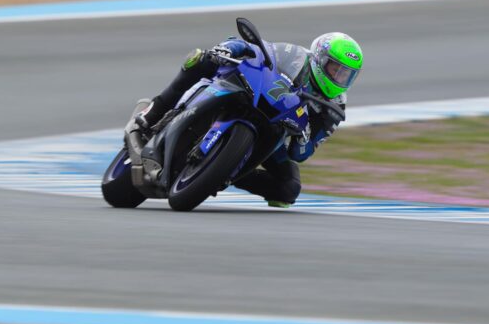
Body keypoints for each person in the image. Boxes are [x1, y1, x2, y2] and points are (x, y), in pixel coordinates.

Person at [135, 28, 364, 208]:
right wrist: (230, 48)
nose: (339, 77)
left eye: (346, 75)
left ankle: (223, 172)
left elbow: (303, 153)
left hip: (277, 131)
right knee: (201, 58)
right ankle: (154, 112)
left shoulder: (334, 107)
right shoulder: (297, 56)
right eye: (335, 69)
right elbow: (259, 48)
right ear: (319, 59)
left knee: (289, 189)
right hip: (252, 94)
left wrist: (303, 138)